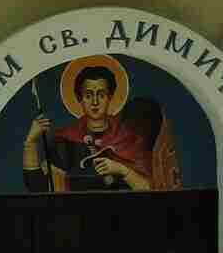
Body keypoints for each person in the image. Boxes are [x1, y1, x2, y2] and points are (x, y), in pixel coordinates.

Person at [22, 61, 164, 192]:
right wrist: (30, 143)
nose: (95, 102)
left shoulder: (130, 138)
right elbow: (38, 188)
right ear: (80, 99)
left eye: (101, 95)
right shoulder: (64, 141)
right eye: (88, 95)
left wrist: (122, 170)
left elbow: (149, 189)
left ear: (110, 97)